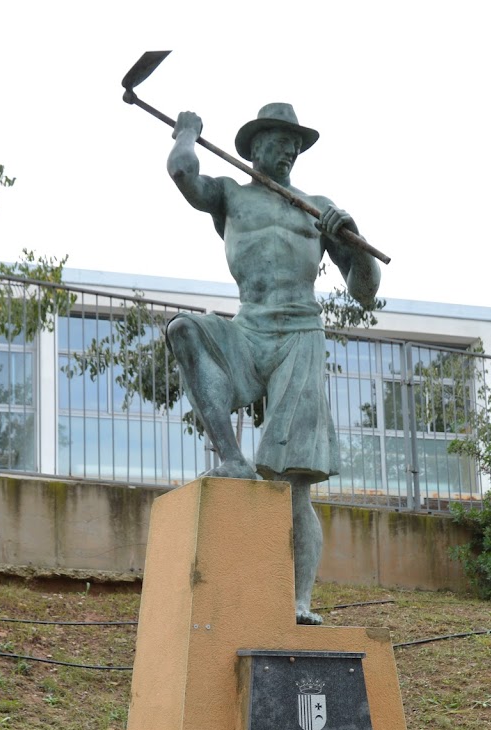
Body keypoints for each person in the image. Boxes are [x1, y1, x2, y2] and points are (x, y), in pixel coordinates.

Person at [166, 103, 381, 624]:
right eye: (279, 140)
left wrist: (356, 244)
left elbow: (365, 293)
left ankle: (300, 599)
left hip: (300, 335)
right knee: (184, 330)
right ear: (255, 145)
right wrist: (186, 133)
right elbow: (182, 173)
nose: (288, 150)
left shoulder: (317, 208)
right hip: (249, 328)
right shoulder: (231, 195)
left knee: (294, 485)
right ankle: (232, 458)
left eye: (295, 142)